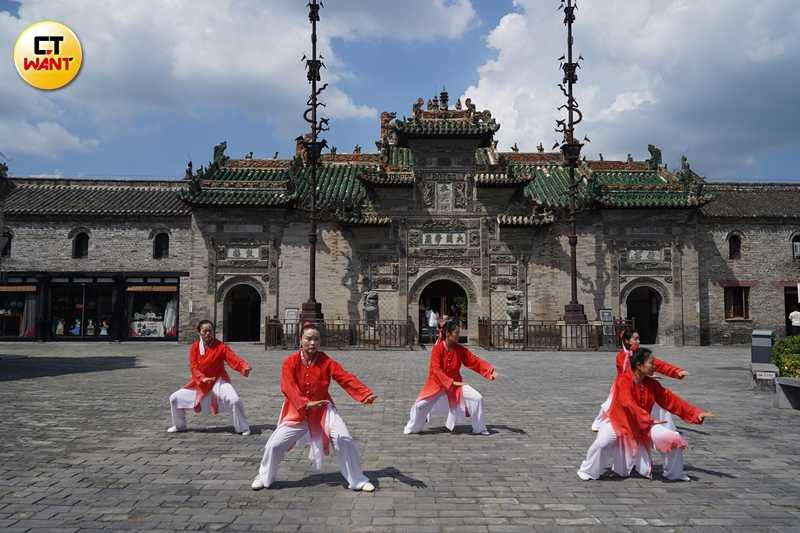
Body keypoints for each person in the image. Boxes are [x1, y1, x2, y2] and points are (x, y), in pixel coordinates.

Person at [252, 322, 377, 492]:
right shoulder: (290, 362)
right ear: (300, 340)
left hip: (324, 411)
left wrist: (364, 393)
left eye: (316, 339)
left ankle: (358, 480)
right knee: (274, 445)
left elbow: (345, 377)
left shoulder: (326, 361)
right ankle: (264, 476)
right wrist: (304, 403)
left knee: (343, 439)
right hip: (297, 412)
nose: (312, 343)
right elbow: (287, 386)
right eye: (308, 339)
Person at [578, 347, 713, 481]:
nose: (655, 367)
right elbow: (627, 403)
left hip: (644, 425)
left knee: (673, 438)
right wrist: (648, 419)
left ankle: (674, 473)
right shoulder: (624, 380)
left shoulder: (652, 384)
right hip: (619, 422)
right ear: (639, 365)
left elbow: (670, 400)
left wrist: (695, 413)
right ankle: (588, 470)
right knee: (603, 442)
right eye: (651, 363)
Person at [404, 319, 497, 435]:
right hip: (436, 385)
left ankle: (480, 428)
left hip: (456, 385)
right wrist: (450, 382)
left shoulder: (459, 349)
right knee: (420, 406)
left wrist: (489, 370)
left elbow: (473, 361)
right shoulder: (437, 349)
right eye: (456, 333)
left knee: (477, 398)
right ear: (448, 334)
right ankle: (412, 427)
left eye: (459, 332)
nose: (459, 335)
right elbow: (436, 370)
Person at [591, 330, 687, 431]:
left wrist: (676, 371)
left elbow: (658, 364)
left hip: (641, 384)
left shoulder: (640, 354)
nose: (638, 341)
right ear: (627, 341)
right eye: (635, 339)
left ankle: (664, 427)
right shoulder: (621, 356)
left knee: (656, 404)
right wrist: (644, 375)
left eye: (638, 339)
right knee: (611, 406)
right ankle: (604, 423)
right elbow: (627, 372)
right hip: (624, 386)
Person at [167, 320, 252, 435]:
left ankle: (242, 427)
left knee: (234, 400)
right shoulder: (195, 347)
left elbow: (233, 358)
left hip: (219, 381)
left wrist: (244, 366)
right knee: (175, 398)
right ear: (199, 332)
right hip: (200, 383)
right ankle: (179, 425)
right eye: (204, 331)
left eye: (210, 331)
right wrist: (202, 378)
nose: (208, 333)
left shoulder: (220, 346)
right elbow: (193, 367)